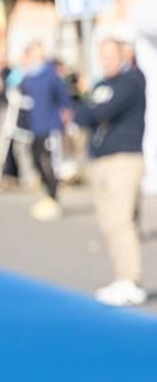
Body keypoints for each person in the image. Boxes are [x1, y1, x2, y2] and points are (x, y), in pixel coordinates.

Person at [75, 32, 149, 306]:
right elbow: (82, 113)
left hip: (124, 158)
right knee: (108, 223)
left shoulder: (131, 81)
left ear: (124, 55)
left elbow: (100, 112)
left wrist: (92, 108)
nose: (106, 61)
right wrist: (90, 107)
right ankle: (122, 276)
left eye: (111, 55)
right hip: (100, 159)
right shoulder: (102, 83)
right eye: (102, 57)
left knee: (121, 220)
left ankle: (131, 279)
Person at [18, 43, 74, 220]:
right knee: (36, 159)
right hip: (34, 126)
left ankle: (53, 196)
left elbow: (64, 97)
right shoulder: (28, 76)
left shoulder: (50, 75)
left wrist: (66, 114)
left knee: (49, 161)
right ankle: (46, 192)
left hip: (49, 125)